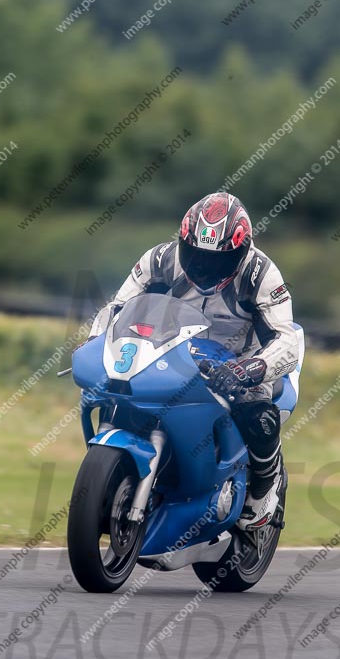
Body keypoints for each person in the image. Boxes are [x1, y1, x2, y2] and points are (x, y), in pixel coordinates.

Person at [89, 192, 299, 530]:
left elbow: (286, 338)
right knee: (120, 389)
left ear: (242, 252)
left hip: (239, 361)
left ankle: (265, 481)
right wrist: (95, 342)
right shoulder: (159, 260)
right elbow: (117, 308)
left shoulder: (260, 274)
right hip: (171, 351)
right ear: (182, 242)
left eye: (218, 260)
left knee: (255, 406)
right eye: (196, 256)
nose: (204, 268)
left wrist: (251, 369)